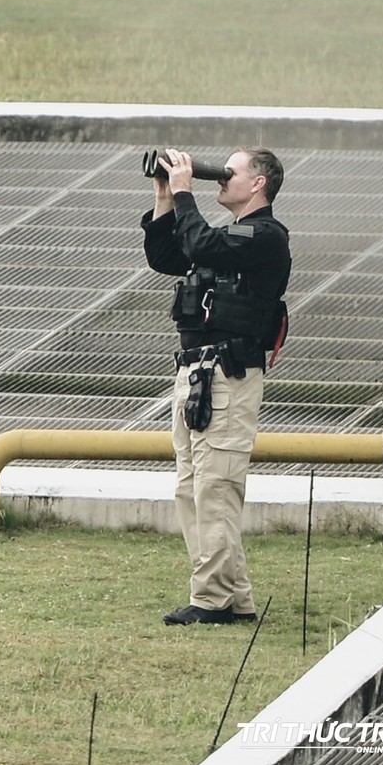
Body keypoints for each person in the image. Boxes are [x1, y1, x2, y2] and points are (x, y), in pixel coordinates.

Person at [140, 146, 291, 626]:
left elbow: (202, 244)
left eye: (230, 172)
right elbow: (165, 255)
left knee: (215, 488)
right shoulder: (225, 237)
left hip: (229, 376)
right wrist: (166, 195)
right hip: (195, 374)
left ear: (259, 184)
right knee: (192, 488)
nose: (220, 179)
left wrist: (187, 191)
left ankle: (210, 600)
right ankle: (235, 597)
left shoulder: (266, 237)